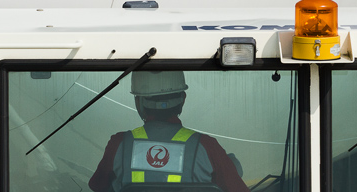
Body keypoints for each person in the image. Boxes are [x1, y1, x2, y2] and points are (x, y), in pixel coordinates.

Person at [88, 70, 248, 192]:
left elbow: (98, 186)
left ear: (139, 101)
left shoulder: (119, 144)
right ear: (183, 99)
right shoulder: (207, 146)